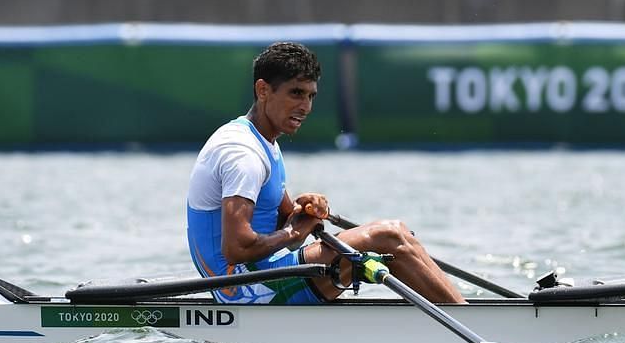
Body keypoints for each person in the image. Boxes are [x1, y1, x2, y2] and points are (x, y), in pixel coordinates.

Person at [185, 41, 464, 305]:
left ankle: (463, 311)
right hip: (243, 288)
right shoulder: (242, 154)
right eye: (296, 93)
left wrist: (307, 208)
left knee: (399, 231)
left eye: (310, 96)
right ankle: (471, 322)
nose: (305, 107)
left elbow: (285, 218)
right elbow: (237, 248)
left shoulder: (263, 142)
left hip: (260, 274)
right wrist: (294, 233)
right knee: (387, 237)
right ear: (263, 90)